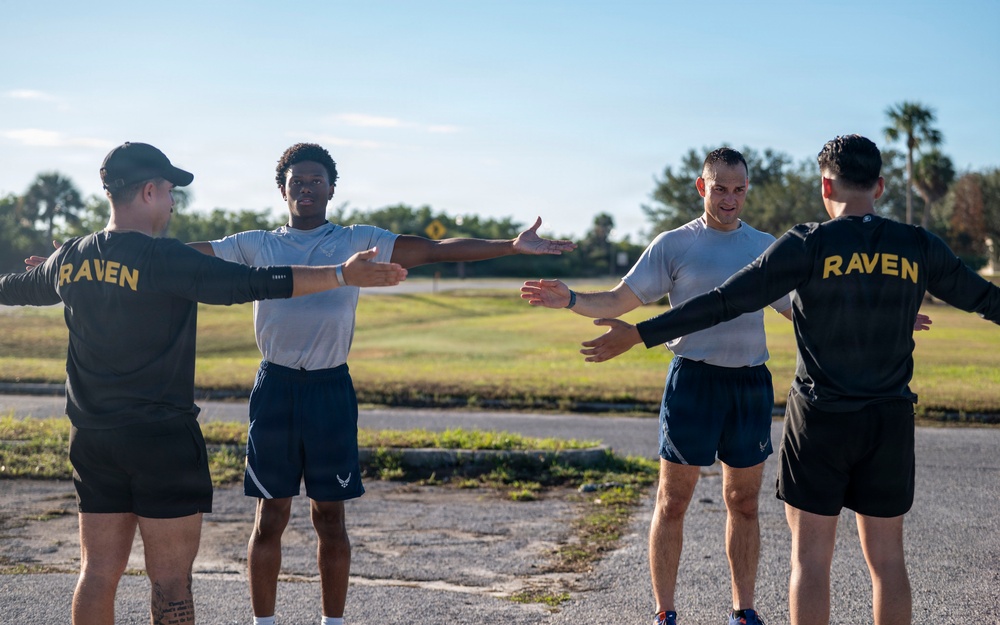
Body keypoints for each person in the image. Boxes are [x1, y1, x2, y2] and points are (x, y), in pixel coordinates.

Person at [579, 134, 999, 625]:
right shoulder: (918, 246)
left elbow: (723, 302)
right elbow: (987, 300)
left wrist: (641, 333)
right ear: (880, 186)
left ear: (826, 185)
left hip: (820, 419)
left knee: (811, 561)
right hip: (888, 419)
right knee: (888, 563)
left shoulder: (808, 243)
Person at [2, 141, 407, 625]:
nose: (173, 202)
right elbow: (257, 283)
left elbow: (14, 288)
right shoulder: (167, 259)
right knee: (170, 582)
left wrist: (55, 266)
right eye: (170, 191)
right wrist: (341, 274)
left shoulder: (70, 257)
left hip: (93, 441)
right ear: (149, 190)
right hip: (162, 443)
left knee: (96, 572)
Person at [186, 142, 576, 625]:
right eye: (296, 182)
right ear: (282, 189)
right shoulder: (255, 245)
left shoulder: (357, 240)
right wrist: (124, 246)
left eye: (315, 181)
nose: (306, 188)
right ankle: (263, 622)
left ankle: (334, 622)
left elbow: (434, 251)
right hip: (276, 388)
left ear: (331, 188)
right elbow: (188, 258)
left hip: (330, 388)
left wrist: (510, 246)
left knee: (330, 517)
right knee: (271, 517)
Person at [523, 147, 791, 625]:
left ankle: (743, 611)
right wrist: (571, 300)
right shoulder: (675, 244)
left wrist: (880, 320)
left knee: (744, 502)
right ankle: (665, 613)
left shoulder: (766, 247)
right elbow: (618, 300)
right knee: (673, 501)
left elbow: (802, 309)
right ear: (701, 187)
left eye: (739, 190)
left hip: (750, 383)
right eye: (720, 189)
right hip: (694, 382)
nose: (730, 199)